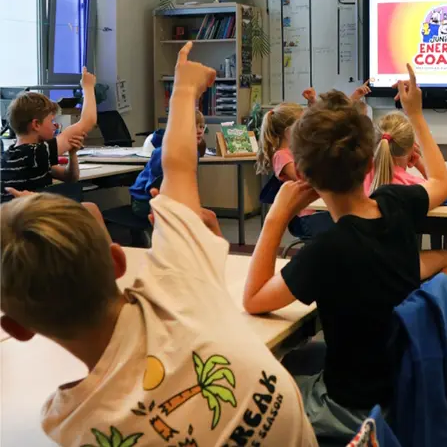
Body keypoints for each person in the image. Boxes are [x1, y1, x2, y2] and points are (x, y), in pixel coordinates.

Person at [0, 42, 317, 446]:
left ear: (15, 327)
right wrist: (184, 90)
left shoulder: (70, 430)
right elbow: (179, 166)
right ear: (118, 259)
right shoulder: (181, 282)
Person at [243, 64, 447, 442]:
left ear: (302, 175)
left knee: (254, 389)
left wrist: (276, 216)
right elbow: (441, 182)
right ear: (371, 163)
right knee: (299, 361)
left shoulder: (327, 249)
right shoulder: (396, 203)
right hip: (401, 389)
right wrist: (415, 114)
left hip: (352, 409)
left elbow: (254, 298)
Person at [366, 111, 447, 284]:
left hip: (360, 263)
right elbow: (439, 188)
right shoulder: (410, 184)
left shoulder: (358, 177)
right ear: (410, 149)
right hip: (394, 266)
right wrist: (421, 163)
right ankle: (441, 310)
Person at [0, 69, 97, 202]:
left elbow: (70, 178)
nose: (55, 126)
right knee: (91, 208)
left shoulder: (13, 154)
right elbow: (88, 121)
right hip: (30, 218)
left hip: (17, 215)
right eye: (51, 121)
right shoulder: (35, 152)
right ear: (36, 125)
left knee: (90, 208)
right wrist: (88, 87)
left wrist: (72, 154)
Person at [256, 102, 334, 239]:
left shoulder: (296, 151)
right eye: (302, 126)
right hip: (303, 218)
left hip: (316, 211)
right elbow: (303, 177)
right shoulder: (281, 156)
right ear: (288, 132)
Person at [129, 109, 206, 218]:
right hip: (144, 201)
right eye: (194, 127)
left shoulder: (193, 152)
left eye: (202, 127)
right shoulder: (165, 152)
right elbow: (154, 186)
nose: (199, 131)